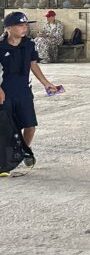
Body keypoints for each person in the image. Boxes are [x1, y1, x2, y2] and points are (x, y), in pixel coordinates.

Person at [0, 12, 60, 170]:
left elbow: (33, 65)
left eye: (25, 25)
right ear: (9, 28)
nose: (24, 28)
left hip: (24, 91)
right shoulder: (1, 46)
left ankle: (25, 149)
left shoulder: (29, 44)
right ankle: (7, 160)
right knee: (8, 128)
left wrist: (46, 83)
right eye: (20, 25)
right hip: (5, 93)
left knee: (30, 125)